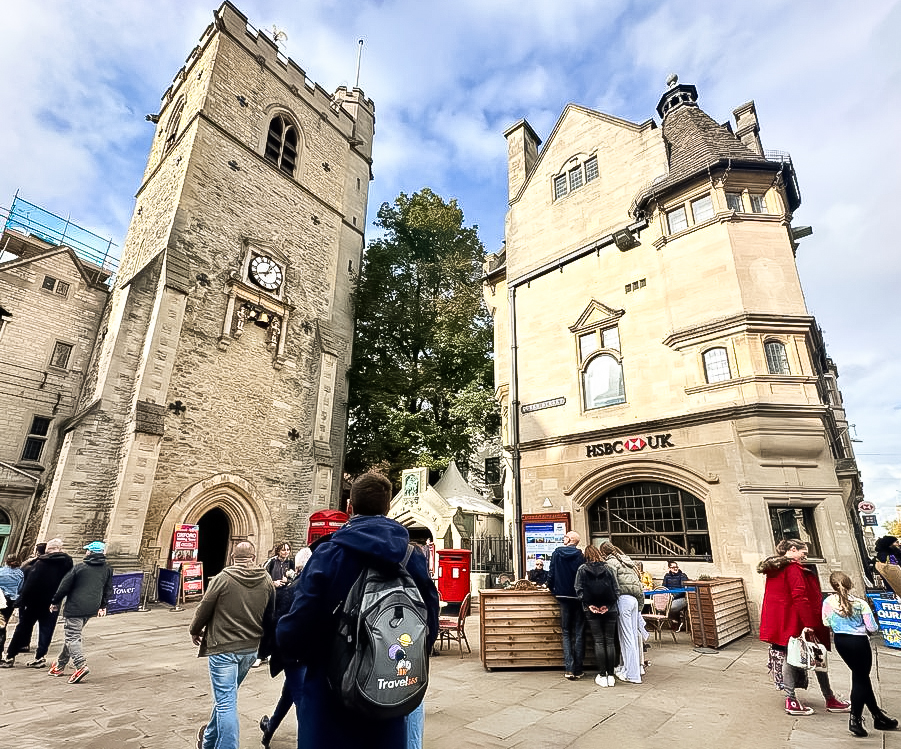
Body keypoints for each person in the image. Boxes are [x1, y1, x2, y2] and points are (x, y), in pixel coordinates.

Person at [276, 472, 439, 749]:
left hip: (330, 690)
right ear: (388, 509)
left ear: (349, 507)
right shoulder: (411, 557)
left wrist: (289, 646)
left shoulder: (329, 554)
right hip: (386, 689)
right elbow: (429, 621)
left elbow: (297, 622)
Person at [191, 541, 274, 749]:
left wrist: (194, 629)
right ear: (253, 557)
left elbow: (204, 607)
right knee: (225, 697)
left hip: (224, 648)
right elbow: (271, 615)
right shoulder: (266, 578)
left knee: (226, 701)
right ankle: (209, 741)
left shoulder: (223, 578)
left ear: (231, 557)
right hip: (250, 649)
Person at [758, 538, 850, 716]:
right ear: (793, 549)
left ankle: (821, 697)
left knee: (800, 656)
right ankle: (798, 699)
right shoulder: (792, 568)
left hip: (783, 620)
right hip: (797, 621)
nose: (805, 557)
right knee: (810, 656)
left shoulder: (775, 569)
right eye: (803, 553)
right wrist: (810, 623)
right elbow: (800, 596)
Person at [822, 571, 898, 737]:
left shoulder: (828, 601)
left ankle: (877, 715)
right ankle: (855, 718)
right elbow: (872, 627)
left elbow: (825, 622)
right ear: (850, 584)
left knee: (861, 677)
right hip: (859, 642)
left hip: (841, 642)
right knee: (860, 678)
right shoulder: (860, 603)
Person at [258, 551, 309, 746]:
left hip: (294, 655)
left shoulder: (290, 590)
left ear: (296, 568)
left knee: (293, 698)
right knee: (297, 699)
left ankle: (270, 730)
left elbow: (273, 622)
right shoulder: (310, 588)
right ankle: (274, 730)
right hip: (301, 654)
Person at [1, 538, 73, 669]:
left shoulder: (38, 564)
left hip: (33, 602)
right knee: (46, 629)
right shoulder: (67, 562)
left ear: (47, 550)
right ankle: (40, 657)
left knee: (22, 628)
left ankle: (10, 656)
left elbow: (30, 585)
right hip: (53, 602)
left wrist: (21, 601)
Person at [48, 541, 114, 684]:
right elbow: (108, 589)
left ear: (90, 552)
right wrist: (103, 605)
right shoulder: (107, 569)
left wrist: (54, 602)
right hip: (92, 607)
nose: (86, 552)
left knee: (73, 636)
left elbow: (63, 587)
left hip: (76, 607)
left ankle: (80, 665)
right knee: (73, 636)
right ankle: (59, 665)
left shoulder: (79, 568)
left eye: (87, 550)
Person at [600, 541, 646, 684]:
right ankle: (629, 668)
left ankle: (632, 675)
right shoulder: (626, 560)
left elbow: (610, 583)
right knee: (632, 635)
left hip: (623, 600)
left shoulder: (610, 563)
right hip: (634, 600)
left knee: (626, 638)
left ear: (603, 553)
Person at [574, 545, 619, 687]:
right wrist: (608, 606)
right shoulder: (609, 568)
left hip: (591, 609)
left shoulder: (582, 569)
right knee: (610, 641)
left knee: (599, 641)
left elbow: (578, 589)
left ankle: (602, 674)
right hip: (610, 609)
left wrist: (589, 605)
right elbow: (617, 589)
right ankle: (611, 676)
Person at [547, 531, 585, 680]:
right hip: (578, 597)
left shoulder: (556, 553)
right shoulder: (581, 555)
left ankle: (569, 668)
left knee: (566, 632)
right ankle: (578, 669)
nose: (564, 537)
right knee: (579, 632)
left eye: (566, 536)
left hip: (562, 596)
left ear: (570, 539)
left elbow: (551, 574)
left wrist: (552, 589)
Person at [0, 555, 24, 652]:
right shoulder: (20, 574)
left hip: (1, 599)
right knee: (2, 625)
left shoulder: (1, 571)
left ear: (6, 561)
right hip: (11, 601)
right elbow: (20, 588)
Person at [662, 560, 689, 629]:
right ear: (669, 568)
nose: (675, 568)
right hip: (669, 598)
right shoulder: (667, 576)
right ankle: (674, 621)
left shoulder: (682, 576)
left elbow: (683, 590)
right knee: (662, 606)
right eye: (673, 567)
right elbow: (664, 588)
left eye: (676, 566)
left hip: (682, 598)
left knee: (671, 607)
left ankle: (676, 622)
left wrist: (673, 596)